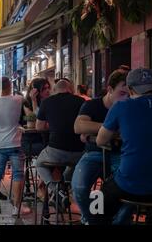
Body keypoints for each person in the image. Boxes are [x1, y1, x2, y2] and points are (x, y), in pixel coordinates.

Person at [72, 69, 132, 225]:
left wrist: (94, 129)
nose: (126, 98)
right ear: (110, 89)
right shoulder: (92, 105)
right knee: (79, 186)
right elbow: (79, 126)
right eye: (122, 93)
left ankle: (113, 221)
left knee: (131, 191)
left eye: (129, 94)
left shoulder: (130, 107)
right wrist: (112, 128)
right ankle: (93, 220)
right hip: (94, 153)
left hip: (121, 154)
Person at [95, 68, 152, 224]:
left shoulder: (121, 107)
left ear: (130, 89)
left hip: (129, 183)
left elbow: (100, 140)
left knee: (98, 195)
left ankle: (93, 220)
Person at [36, 80, 85, 208]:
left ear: (55, 90)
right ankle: (65, 187)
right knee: (72, 167)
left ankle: (56, 190)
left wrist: (53, 125)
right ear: (70, 89)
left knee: (39, 163)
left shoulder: (47, 102)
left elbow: (39, 127)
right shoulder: (81, 101)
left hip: (56, 151)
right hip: (79, 152)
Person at [0, 77, 31, 215]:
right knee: (18, 175)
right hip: (15, 142)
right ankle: (16, 207)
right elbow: (29, 108)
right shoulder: (17, 99)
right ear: (10, 86)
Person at [22, 78, 51, 157]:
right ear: (36, 90)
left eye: (48, 87)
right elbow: (32, 124)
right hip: (32, 141)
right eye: (44, 88)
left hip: (47, 139)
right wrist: (34, 101)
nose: (48, 90)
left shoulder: (49, 102)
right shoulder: (26, 104)